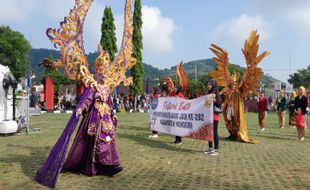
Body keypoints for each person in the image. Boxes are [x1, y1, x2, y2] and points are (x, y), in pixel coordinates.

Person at [36, 86, 123, 188]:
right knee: (97, 142)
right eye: (100, 71)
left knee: (109, 141)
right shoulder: (93, 86)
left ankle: (110, 164)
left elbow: (109, 103)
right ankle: (95, 167)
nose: (103, 73)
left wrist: (112, 113)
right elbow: (87, 99)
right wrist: (81, 108)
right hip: (94, 119)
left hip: (106, 119)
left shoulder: (108, 84)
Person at [204, 80, 221, 156]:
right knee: (209, 133)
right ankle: (210, 148)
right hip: (208, 116)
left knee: (214, 133)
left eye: (210, 85)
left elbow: (219, 103)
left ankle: (216, 149)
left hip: (214, 116)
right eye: (207, 84)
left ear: (213, 85)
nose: (208, 86)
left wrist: (214, 99)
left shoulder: (216, 93)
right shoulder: (207, 93)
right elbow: (205, 104)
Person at [166, 77, 183, 145]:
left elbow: (182, 104)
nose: (175, 89)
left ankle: (179, 140)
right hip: (174, 114)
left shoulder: (180, 95)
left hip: (179, 114)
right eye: (174, 87)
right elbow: (168, 97)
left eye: (176, 88)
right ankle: (176, 139)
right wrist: (171, 92)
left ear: (179, 89)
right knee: (175, 127)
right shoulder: (174, 94)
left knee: (178, 127)